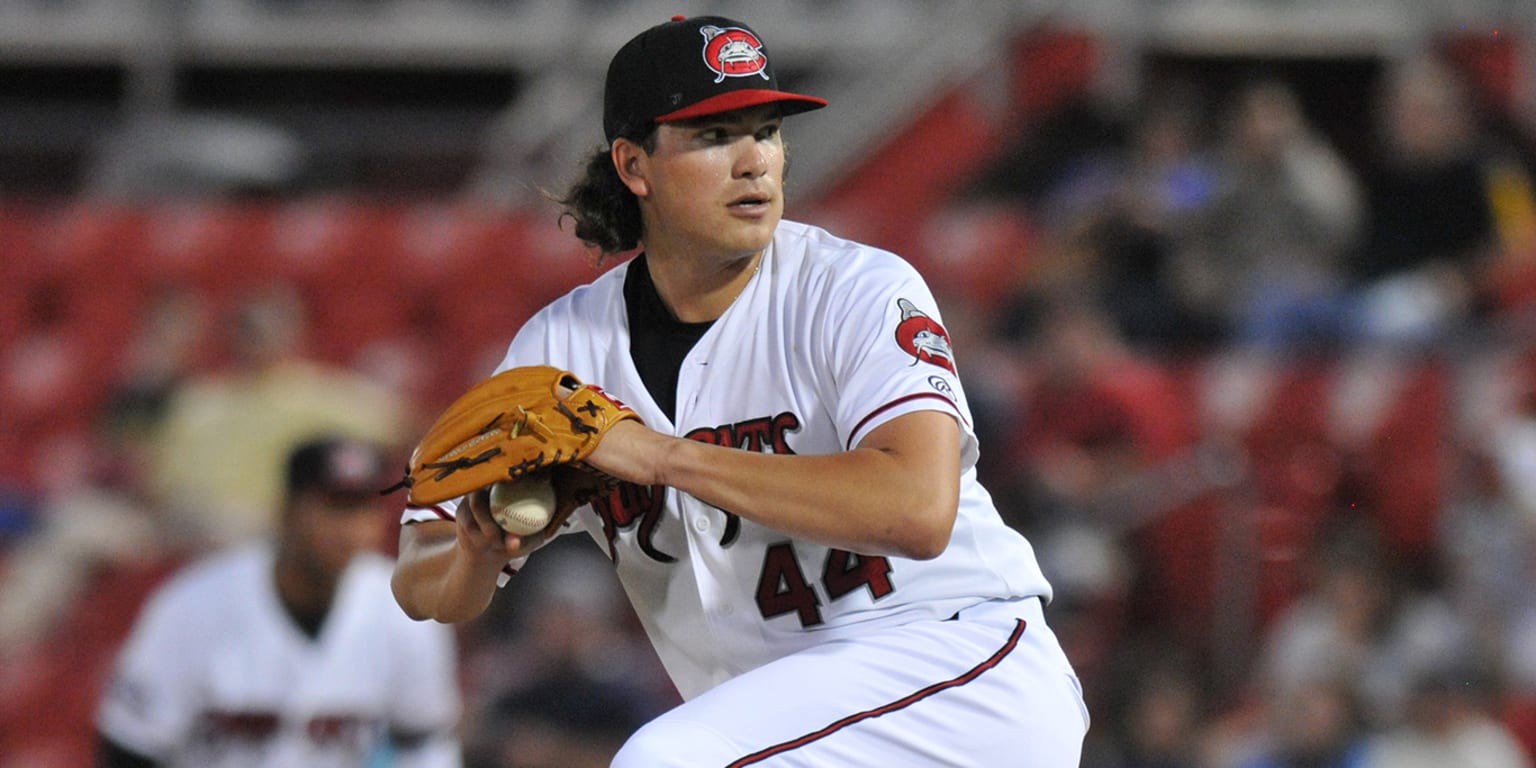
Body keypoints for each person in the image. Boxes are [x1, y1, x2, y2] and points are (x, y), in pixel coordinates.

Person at [391, 14, 1087, 767]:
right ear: (634, 165)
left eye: (767, 130)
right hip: (789, 721)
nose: (755, 161)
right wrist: (477, 552)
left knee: (667, 761)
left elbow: (917, 511)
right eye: (716, 136)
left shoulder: (853, 290)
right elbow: (420, 581)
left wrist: (661, 457)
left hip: (958, 670)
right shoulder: (563, 348)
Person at [96, 436, 463, 767]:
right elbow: (130, 748)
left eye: (363, 508)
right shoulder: (191, 605)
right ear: (287, 511)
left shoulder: (406, 608)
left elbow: (425, 744)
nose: (350, 529)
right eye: (334, 507)